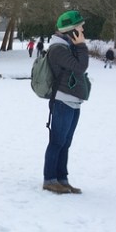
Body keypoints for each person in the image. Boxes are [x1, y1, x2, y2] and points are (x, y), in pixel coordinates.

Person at [42, 10, 91, 195]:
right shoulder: (58, 49)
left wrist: (78, 46)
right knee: (57, 142)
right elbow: (80, 66)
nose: (83, 29)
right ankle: (50, 179)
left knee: (66, 143)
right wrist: (81, 46)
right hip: (63, 101)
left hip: (73, 101)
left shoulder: (67, 47)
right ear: (71, 31)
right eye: (80, 27)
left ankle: (62, 179)